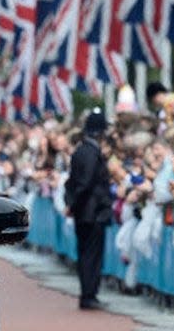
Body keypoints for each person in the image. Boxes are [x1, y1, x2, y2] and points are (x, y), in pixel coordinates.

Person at [64, 108, 112, 311]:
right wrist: (73, 204)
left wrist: (71, 204)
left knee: (85, 253)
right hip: (92, 212)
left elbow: (71, 183)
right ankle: (89, 294)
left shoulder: (79, 151)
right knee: (91, 254)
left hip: (82, 212)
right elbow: (84, 183)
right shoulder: (91, 153)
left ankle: (88, 292)